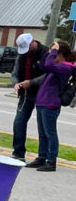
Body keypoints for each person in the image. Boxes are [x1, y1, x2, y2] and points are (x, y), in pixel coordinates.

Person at [27, 40, 76, 172]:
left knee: (50, 133)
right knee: (42, 133)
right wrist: (50, 52)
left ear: (61, 54)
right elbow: (43, 65)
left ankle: (51, 160)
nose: (53, 57)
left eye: (55, 54)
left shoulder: (66, 67)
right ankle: (41, 157)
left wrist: (53, 51)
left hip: (51, 103)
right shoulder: (57, 65)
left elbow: (48, 64)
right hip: (42, 102)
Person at [11, 33, 46, 161]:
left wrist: (31, 82)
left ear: (33, 43)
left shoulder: (45, 53)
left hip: (42, 94)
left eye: (27, 48)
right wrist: (15, 84)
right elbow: (14, 73)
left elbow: (48, 75)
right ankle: (18, 152)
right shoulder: (21, 56)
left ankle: (43, 156)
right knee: (19, 122)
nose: (25, 52)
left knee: (43, 126)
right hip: (25, 94)